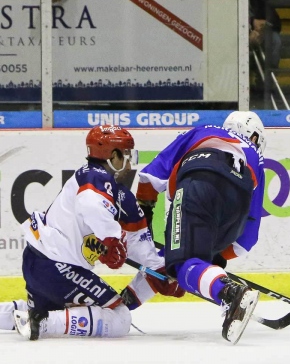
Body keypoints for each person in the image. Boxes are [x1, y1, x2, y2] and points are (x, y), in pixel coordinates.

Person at [11, 125, 184, 340]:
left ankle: (31, 315)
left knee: (42, 309)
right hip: (57, 266)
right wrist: (109, 239)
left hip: (40, 262)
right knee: (119, 319)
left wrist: (159, 274)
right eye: (127, 155)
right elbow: (91, 205)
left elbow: (140, 245)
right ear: (113, 156)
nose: (130, 164)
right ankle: (43, 322)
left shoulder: (121, 197)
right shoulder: (93, 175)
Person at [136, 111, 267, 344]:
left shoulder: (203, 131)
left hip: (199, 184)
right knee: (188, 261)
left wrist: (143, 215)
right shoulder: (256, 159)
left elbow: (151, 175)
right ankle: (216, 285)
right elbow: (247, 238)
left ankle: (229, 292)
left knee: (179, 264)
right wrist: (215, 254)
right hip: (235, 206)